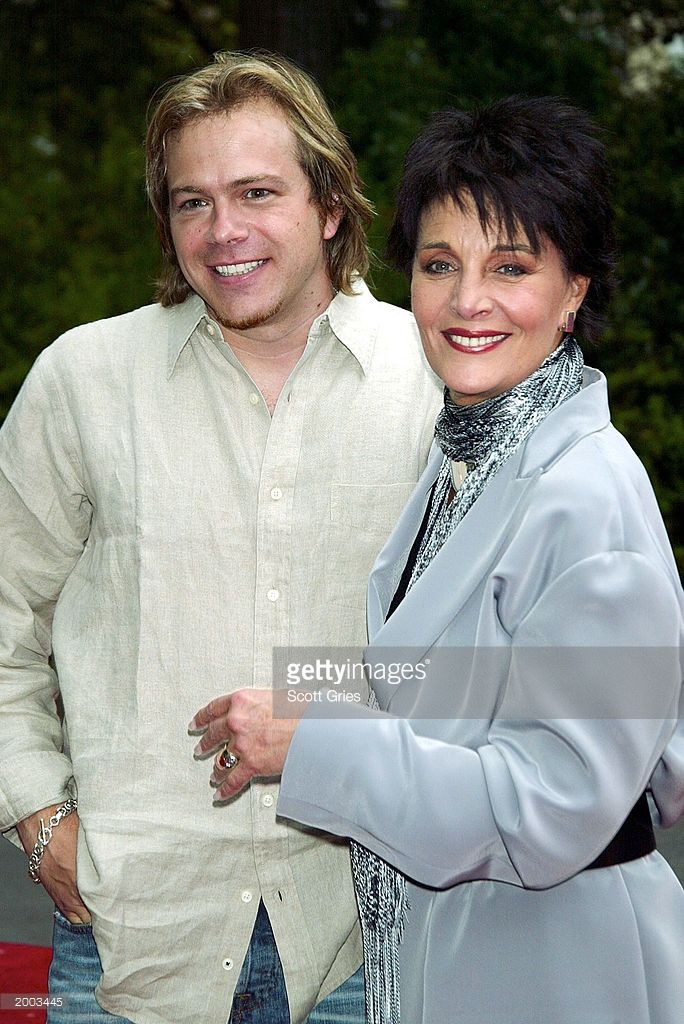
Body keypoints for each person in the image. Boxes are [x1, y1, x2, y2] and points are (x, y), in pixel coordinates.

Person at [194, 97, 684, 1024]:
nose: (467, 303)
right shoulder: (467, 457)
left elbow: (550, 805)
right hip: (461, 956)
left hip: (559, 970)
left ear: (574, 291)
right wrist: (298, 690)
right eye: (439, 265)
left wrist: (313, 743)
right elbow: (446, 679)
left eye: (512, 268)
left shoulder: (589, 495)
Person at [0, 52, 440, 1024]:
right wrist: (38, 815)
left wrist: (326, 715)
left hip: (362, 940)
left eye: (257, 193)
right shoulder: (84, 382)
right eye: (192, 202)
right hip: (130, 940)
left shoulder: (434, 382)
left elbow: (503, 665)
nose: (223, 230)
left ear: (331, 204)